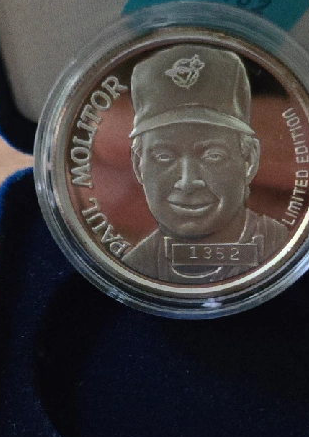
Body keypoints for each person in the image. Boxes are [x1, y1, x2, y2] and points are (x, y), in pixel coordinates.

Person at [122, 44, 289, 282]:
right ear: (138, 164)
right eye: (164, 156)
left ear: (249, 160)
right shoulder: (134, 266)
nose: (187, 182)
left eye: (213, 155)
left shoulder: (280, 243)